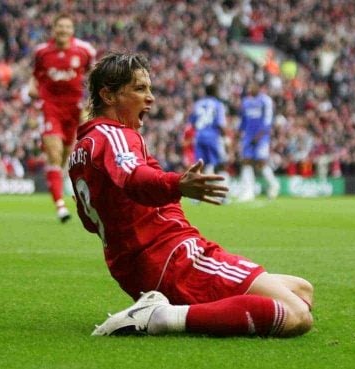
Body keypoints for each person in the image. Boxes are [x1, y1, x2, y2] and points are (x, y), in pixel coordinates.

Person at [68, 52, 313, 337]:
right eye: (139, 88)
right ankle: (162, 316)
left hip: (140, 268)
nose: (151, 98)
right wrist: (177, 184)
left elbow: (89, 222)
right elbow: (136, 177)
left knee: (303, 290)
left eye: (149, 88)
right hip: (173, 258)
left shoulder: (81, 151)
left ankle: (168, 311)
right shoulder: (114, 134)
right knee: (296, 315)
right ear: (108, 96)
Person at [28, 13, 96, 222]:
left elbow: (93, 76)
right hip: (51, 108)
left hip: (75, 110)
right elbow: (35, 78)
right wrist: (33, 94)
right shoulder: (42, 52)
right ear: (54, 29)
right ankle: (60, 205)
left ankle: (70, 184)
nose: (63, 31)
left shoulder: (85, 51)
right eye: (60, 27)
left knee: (67, 154)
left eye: (67, 27)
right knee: (54, 154)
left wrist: (91, 102)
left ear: (72, 30)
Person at [237, 81, 280, 201]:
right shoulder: (246, 102)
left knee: (261, 162)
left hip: (262, 137)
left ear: (259, 88)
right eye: (250, 86)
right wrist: (239, 133)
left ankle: (273, 184)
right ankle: (248, 192)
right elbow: (243, 121)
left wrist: (260, 135)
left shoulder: (265, 101)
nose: (251, 88)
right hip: (248, 136)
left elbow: (268, 120)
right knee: (246, 161)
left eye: (253, 86)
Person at [188, 82, 230, 198]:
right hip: (212, 137)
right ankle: (219, 194)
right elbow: (220, 124)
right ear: (215, 92)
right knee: (219, 164)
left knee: (200, 165)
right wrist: (225, 138)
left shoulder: (198, 104)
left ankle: (196, 195)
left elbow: (192, 122)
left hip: (199, 136)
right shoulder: (218, 104)